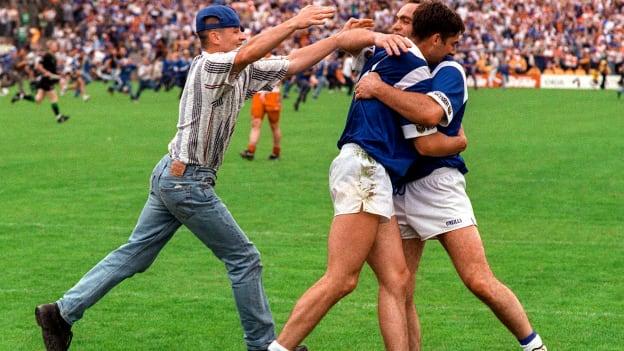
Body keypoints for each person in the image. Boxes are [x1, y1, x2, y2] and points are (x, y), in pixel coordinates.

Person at [34, 5, 409, 351]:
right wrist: (294, 22)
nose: (244, 35)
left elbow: (292, 62)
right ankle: (263, 345)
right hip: (186, 182)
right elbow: (247, 54)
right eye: (237, 30)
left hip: (173, 174)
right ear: (215, 36)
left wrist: (336, 41)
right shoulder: (210, 65)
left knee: (135, 255)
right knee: (245, 259)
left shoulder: (237, 71)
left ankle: (60, 313)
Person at [267, 12, 468, 351]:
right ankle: (278, 348)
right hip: (366, 166)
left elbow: (346, 42)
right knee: (341, 279)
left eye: (405, 20)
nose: (396, 25)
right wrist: (459, 138)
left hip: (373, 171)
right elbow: (429, 114)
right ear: (435, 38)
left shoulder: (393, 53)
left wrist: (365, 41)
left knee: (398, 279)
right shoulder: (406, 53)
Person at [354, 2, 547, 350]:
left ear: (426, 34)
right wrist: (360, 43)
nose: (398, 28)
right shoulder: (398, 64)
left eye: (405, 21)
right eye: (396, 20)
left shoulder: (449, 70)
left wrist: (380, 89)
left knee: (478, 279)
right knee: (401, 288)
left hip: (437, 184)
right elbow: (352, 59)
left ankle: (534, 346)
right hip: (395, 185)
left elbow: (428, 136)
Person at [13, 41, 69, 123]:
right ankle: (59, 118)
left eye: (57, 45)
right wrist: (45, 72)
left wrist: (58, 74)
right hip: (46, 80)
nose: (56, 47)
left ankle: (21, 96)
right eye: (55, 45)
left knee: (38, 100)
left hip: (47, 80)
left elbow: (52, 70)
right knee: (54, 98)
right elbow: (38, 66)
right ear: (50, 47)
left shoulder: (53, 57)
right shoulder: (47, 55)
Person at [240, 84, 283, 160]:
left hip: (272, 94)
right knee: (255, 123)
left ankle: (276, 152)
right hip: (259, 93)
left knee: (274, 126)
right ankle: (250, 150)